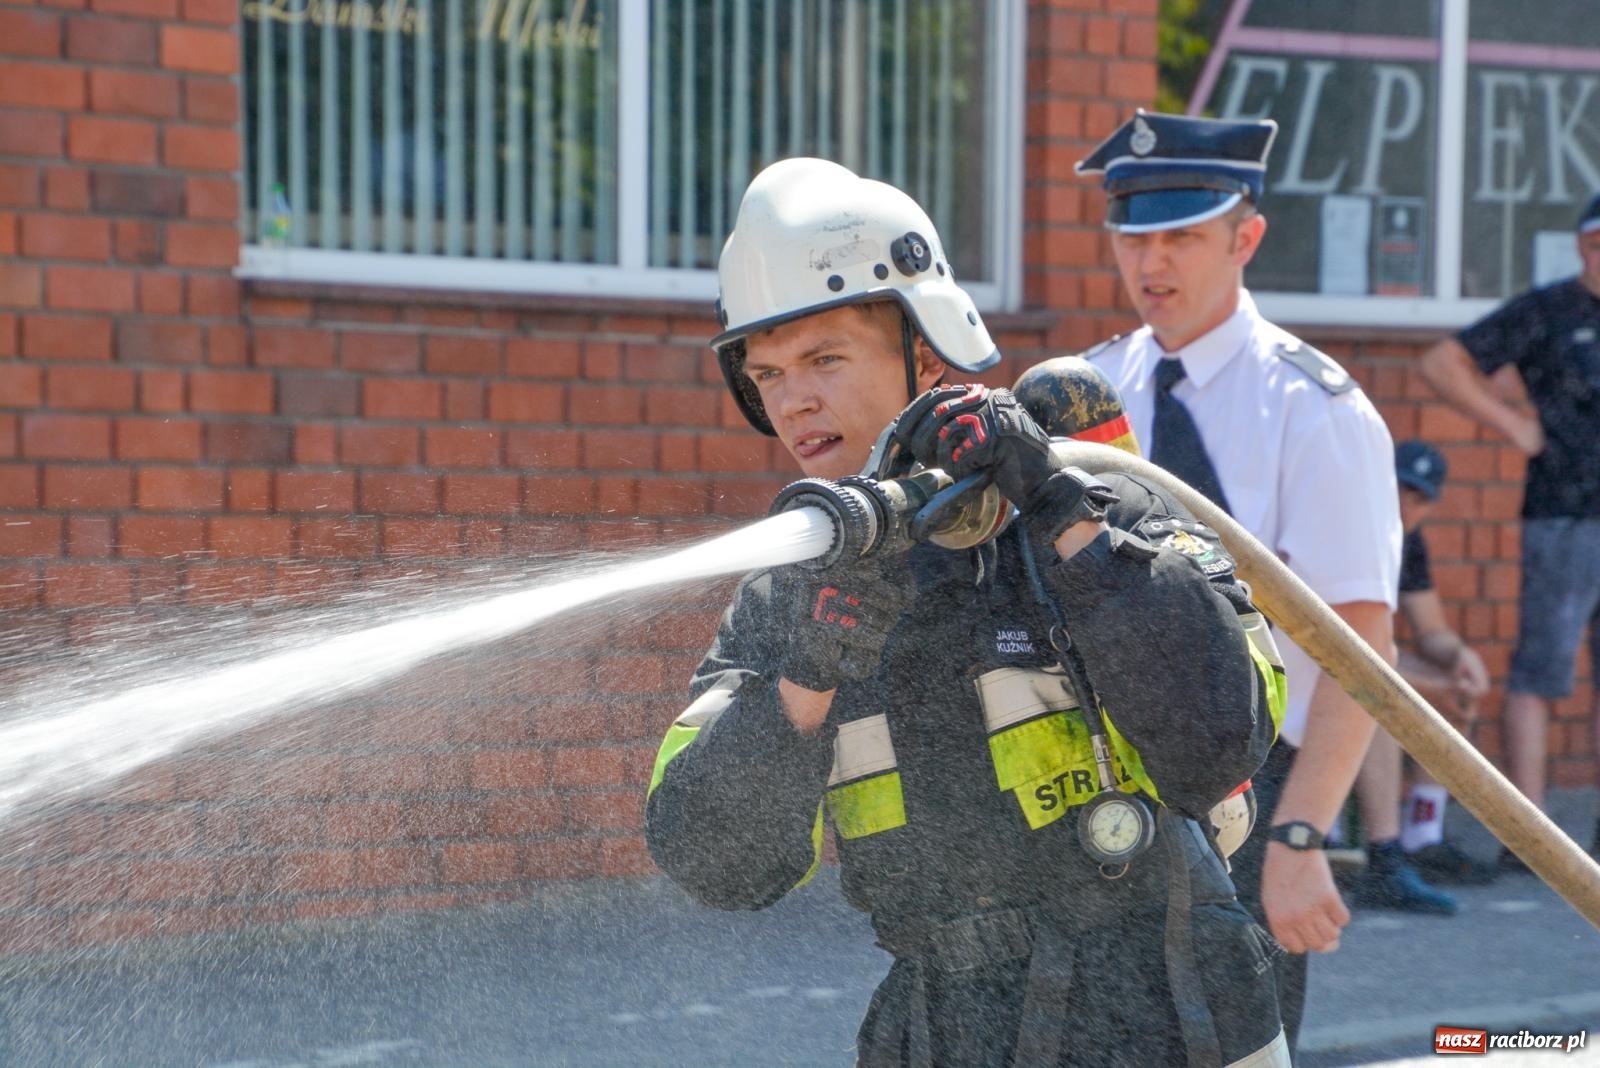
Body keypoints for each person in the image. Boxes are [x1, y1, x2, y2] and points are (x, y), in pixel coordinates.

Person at [644, 157, 1292, 1067]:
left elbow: (1222, 738)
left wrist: (1062, 515)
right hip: (946, 1024)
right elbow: (719, 866)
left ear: (927, 350)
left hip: (1166, 1006)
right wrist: (806, 675)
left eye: (826, 358)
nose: (795, 398)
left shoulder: (1090, 503)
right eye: (770, 373)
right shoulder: (788, 595)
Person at [1076, 111, 1402, 1052]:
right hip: (1099, 785)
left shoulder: (1314, 409)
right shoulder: (1089, 388)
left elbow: (1362, 653)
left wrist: (1301, 837)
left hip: (1250, 794)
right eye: (1134, 235)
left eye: (1182, 235)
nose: (1153, 262)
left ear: (1244, 237)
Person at [1418, 193, 1600, 869]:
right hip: (1563, 516)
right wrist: (1515, 425)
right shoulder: (1549, 310)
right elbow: (1443, 363)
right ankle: (1531, 839)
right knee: (1540, 673)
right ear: (1583, 245)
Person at [1353, 441, 1495, 894]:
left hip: (1368, 656)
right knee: (1380, 699)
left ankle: (1422, 837)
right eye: (1401, 489)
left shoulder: (1408, 540)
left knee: (1456, 688)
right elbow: (1350, 647)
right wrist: (1431, 685)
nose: (1406, 505)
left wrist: (1459, 658)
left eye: (1420, 498)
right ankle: (1383, 858)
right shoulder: (1351, 528)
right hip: (1314, 660)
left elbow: (1429, 629)